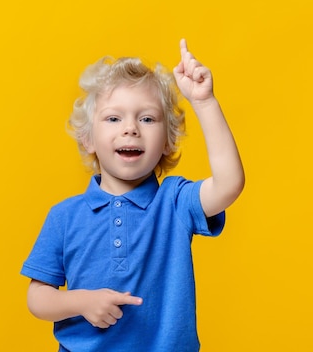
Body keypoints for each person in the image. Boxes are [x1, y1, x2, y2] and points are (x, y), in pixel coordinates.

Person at [20, 39, 245, 352]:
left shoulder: (175, 202)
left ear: (168, 140)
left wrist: (204, 103)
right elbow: (37, 297)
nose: (131, 129)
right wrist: (82, 301)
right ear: (88, 139)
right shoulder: (64, 216)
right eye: (114, 118)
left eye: (147, 119)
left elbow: (229, 183)